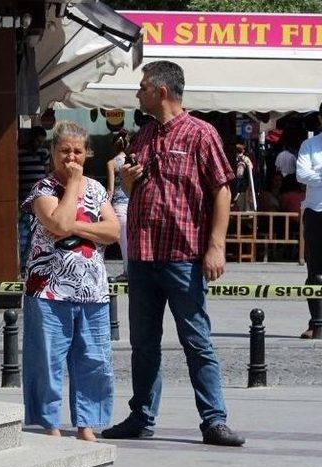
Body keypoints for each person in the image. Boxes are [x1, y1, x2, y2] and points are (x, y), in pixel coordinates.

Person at [101, 60, 245, 446]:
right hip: (144, 258)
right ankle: (141, 416)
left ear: (161, 91)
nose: (138, 93)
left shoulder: (201, 134)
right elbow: (139, 192)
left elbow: (222, 190)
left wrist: (216, 246)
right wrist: (129, 185)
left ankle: (214, 420)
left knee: (196, 340)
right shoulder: (144, 134)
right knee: (143, 343)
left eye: (143, 86)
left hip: (183, 255)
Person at [21, 120, 119, 442]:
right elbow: (58, 225)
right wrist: (74, 187)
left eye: (78, 151)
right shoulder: (43, 190)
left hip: (92, 290)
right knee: (47, 360)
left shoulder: (97, 189)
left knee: (93, 359)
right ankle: (49, 422)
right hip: (49, 289)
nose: (72, 158)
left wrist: (76, 226)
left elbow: (113, 231)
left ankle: (86, 423)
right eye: (65, 151)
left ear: (87, 153)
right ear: (53, 153)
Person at [296, 102, 322, 340]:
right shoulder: (310, 144)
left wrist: (317, 175)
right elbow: (301, 175)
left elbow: (310, 175)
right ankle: (316, 322)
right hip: (316, 211)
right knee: (315, 271)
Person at [18, 126, 49, 275]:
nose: (39, 144)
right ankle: (23, 264)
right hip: (24, 196)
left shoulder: (44, 153)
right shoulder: (20, 153)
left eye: (42, 142)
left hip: (41, 197)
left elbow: (47, 173)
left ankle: (31, 263)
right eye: (37, 141)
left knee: (37, 232)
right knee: (24, 232)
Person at [107, 129, 131, 281]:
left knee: (123, 242)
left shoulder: (111, 163)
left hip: (119, 205)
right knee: (134, 240)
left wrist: (104, 206)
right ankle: (134, 272)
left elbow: (110, 189)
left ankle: (128, 272)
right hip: (134, 204)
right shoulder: (132, 160)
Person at [232, 143, 254, 211]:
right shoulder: (245, 158)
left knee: (236, 194)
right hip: (244, 180)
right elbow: (251, 167)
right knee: (243, 194)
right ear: (243, 150)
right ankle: (242, 209)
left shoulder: (234, 158)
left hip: (235, 179)